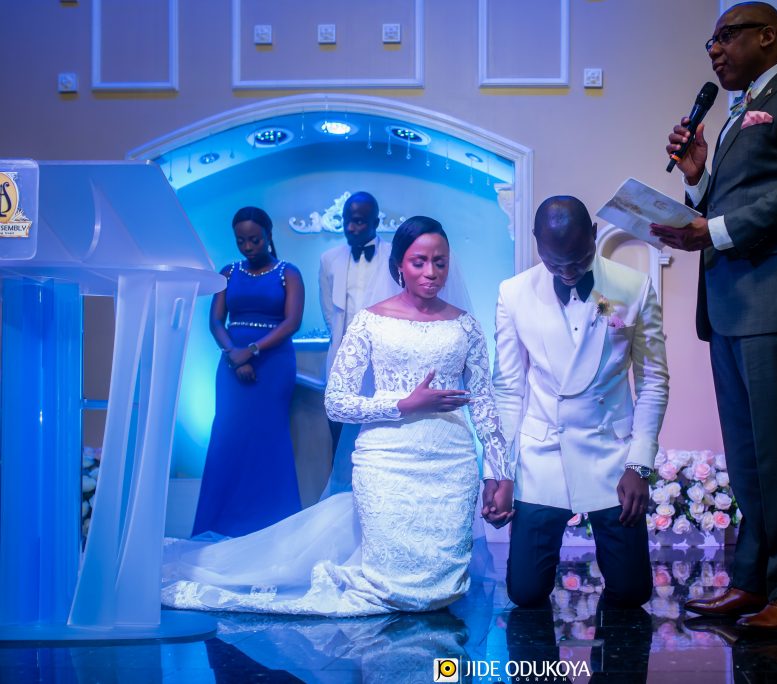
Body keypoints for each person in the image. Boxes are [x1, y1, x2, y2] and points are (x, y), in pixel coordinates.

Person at [163, 216, 515, 617]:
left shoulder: (465, 326)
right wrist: (403, 405)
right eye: (419, 262)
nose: (431, 272)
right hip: (387, 463)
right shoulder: (370, 321)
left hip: (451, 464)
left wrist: (499, 475)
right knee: (391, 585)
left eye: (440, 262)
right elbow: (337, 402)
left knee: (441, 591)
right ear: (399, 264)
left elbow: (485, 403)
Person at [651, 1, 777, 631]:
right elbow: (727, 201)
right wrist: (697, 177)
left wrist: (716, 228)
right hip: (732, 305)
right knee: (749, 454)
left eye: (725, 37)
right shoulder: (733, 117)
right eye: (710, 42)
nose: (714, 50)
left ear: (768, 36)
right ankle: (753, 581)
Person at [489, 195, 669, 609]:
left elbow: (653, 380)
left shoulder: (631, 287)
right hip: (542, 451)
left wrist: (638, 464)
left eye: (579, 260)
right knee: (526, 592)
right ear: (537, 244)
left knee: (631, 592)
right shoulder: (513, 294)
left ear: (593, 236)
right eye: (556, 264)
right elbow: (509, 388)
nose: (569, 273)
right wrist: (498, 472)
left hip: (610, 452)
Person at [192, 206, 305, 538]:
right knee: (228, 439)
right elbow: (215, 321)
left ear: (269, 236)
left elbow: (292, 322)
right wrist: (233, 355)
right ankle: (221, 524)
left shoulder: (289, 272)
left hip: (273, 365)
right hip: (231, 365)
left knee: (269, 441)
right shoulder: (228, 272)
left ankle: (272, 528)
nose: (248, 247)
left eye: (254, 239)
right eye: (241, 241)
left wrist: (252, 351)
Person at [318, 191, 399, 498]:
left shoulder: (395, 254)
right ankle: (339, 502)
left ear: (376, 222)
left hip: (384, 363)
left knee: (380, 437)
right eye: (347, 221)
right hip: (343, 360)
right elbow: (329, 312)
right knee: (339, 437)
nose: (351, 228)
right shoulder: (328, 260)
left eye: (359, 221)